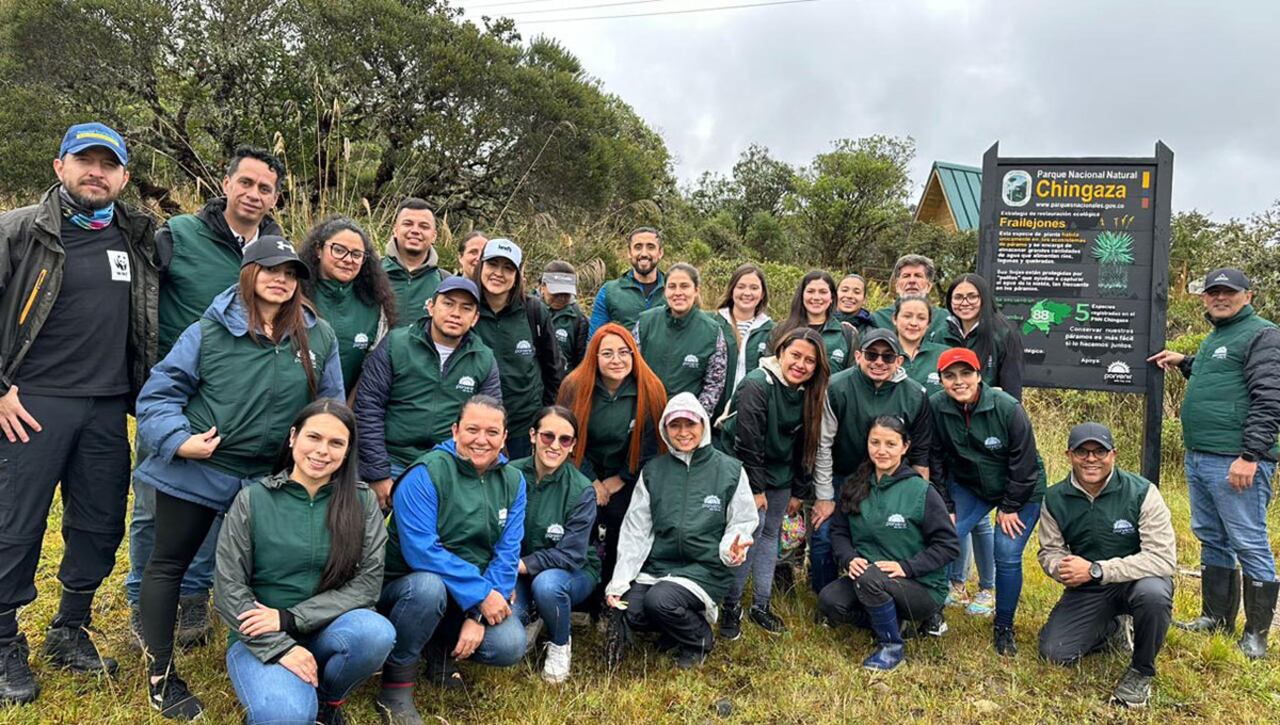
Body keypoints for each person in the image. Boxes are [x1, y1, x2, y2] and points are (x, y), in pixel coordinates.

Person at [135, 237, 344, 719]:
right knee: (169, 564)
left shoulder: (318, 337)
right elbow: (157, 396)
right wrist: (178, 439)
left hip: (268, 480)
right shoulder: (208, 331)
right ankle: (160, 676)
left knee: (269, 573)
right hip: (199, 471)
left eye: (290, 273)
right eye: (269, 269)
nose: (280, 279)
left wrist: (313, 458)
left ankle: (278, 657)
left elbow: (329, 408)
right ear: (248, 273)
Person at [0, 122, 159, 707]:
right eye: (84, 160)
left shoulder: (136, 236)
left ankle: (69, 628)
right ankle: (1, 640)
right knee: (15, 527)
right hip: (31, 404)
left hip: (108, 405)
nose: (97, 172)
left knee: (98, 524)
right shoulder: (20, 230)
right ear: (59, 166)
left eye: (108, 164)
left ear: (123, 176)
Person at [127, 144, 286, 652]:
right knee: (156, 506)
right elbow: (139, 300)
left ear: (276, 197)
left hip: (238, 406)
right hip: (176, 396)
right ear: (225, 184)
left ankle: (194, 598)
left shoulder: (279, 253)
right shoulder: (178, 237)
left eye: (265, 188)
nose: (254, 194)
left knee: (219, 510)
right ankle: (142, 601)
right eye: (246, 183)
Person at [214, 400, 394, 725]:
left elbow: (367, 585)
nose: (322, 451)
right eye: (314, 437)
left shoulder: (362, 501)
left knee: (376, 633)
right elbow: (228, 587)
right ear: (293, 437)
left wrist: (291, 619)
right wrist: (280, 646)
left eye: (336, 442)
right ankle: (295, 696)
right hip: (260, 634)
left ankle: (328, 701)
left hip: (330, 627)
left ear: (348, 450)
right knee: (286, 716)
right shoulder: (252, 500)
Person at [1150, 267, 1280, 658]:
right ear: (1204, 298)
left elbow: (1270, 399)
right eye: (1213, 292)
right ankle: (1215, 618)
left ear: (1248, 295)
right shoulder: (1216, 338)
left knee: (1248, 539)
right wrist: (1185, 361)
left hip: (1235, 462)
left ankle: (1256, 634)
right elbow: (1221, 377)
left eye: (1228, 292)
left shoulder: (1263, 334)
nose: (1219, 298)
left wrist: (1250, 456)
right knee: (1211, 535)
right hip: (1199, 456)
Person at [375, 396, 526, 724]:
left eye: (491, 431)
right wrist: (482, 596)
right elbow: (422, 553)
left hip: (468, 592)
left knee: (510, 644)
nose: (481, 439)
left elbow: (507, 551)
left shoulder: (514, 481)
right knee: (428, 589)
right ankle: (396, 685)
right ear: (455, 430)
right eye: (472, 429)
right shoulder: (425, 473)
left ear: (504, 436)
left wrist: (478, 613)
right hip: (405, 589)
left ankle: (440, 652)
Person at [604, 394, 757, 668]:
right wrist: (620, 581)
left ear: (703, 425)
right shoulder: (654, 470)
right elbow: (636, 530)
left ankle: (699, 639)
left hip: (705, 568)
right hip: (659, 567)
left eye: (691, 424)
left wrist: (731, 549)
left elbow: (742, 522)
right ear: (665, 429)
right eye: (675, 426)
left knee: (660, 600)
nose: (683, 432)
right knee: (633, 610)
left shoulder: (729, 469)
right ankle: (675, 630)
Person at [1037, 423, 1176, 709]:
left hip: (1139, 580)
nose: (1091, 459)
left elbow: (1162, 558)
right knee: (1054, 653)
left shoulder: (1142, 492)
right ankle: (1113, 629)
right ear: (1068, 455)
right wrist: (1059, 568)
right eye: (1082, 452)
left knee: (1154, 595)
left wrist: (1097, 569)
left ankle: (1141, 671)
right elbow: (1049, 551)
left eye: (1099, 451)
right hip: (1091, 588)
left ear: (1113, 454)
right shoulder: (1054, 498)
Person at [817, 416, 959, 671]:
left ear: (905, 447)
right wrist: (848, 558)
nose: (881, 451)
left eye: (891, 444)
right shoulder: (855, 484)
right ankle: (895, 622)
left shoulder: (921, 491)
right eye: (875, 442)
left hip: (919, 586)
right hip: (868, 578)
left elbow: (948, 545)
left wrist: (907, 567)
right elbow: (839, 531)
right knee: (830, 600)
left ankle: (891, 646)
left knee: (870, 579)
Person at [929, 347, 1045, 657]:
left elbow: (1025, 464)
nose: (959, 381)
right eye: (950, 376)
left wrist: (1009, 506)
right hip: (971, 485)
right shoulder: (937, 407)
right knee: (943, 536)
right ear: (941, 380)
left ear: (979, 376)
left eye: (966, 373)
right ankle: (931, 608)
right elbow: (936, 459)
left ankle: (1003, 625)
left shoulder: (1008, 408)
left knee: (1006, 552)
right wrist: (946, 505)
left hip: (1021, 489)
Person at [354, 276, 502, 511]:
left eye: (466, 308)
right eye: (448, 303)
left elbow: (491, 421)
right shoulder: (396, 344)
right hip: (392, 459)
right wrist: (377, 474)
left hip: (448, 465)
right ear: (431, 306)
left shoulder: (484, 358)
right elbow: (368, 408)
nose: (456, 313)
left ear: (475, 319)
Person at [718, 328, 829, 637]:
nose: (801, 365)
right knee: (749, 534)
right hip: (746, 469)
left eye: (810, 360)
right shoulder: (758, 383)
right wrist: (756, 490)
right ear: (781, 353)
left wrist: (799, 489)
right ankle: (731, 605)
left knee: (771, 534)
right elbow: (747, 441)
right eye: (796, 355)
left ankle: (761, 605)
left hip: (780, 472)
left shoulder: (810, 391)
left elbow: (806, 443)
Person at [810, 329, 934, 596]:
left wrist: (922, 498)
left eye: (888, 356)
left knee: (900, 534)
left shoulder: (915, 394)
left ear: (899, 361)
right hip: (842, 474)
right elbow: (823, 445)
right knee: (823, 533)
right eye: (872, 354)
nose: (879, 362)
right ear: (858, 356)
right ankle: (825, 595)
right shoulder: (836, 387)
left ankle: (897, 592)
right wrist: (824, 496)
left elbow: (921, 452)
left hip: (891, 479)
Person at [557, 323, 667, 604]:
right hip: (582, 470)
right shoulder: (574, 386)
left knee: (622, 520)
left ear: (634, 354)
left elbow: (652, 444)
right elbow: (564, 439)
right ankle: (580, 594)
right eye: (607, 353)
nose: (616, 360)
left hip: (628, 474)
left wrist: (621, 478)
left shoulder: (650, 389)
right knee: (582, 518)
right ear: (594, 357)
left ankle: (616, 592)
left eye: (623, 352)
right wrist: (591, 480)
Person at [510, 407, 599, 683]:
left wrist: (523, 565)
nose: (555, 445)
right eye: (548, 436)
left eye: (565, 440)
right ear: (533, 436)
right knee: (507, 637)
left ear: (573, 446)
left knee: (548, 586)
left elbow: (571, 554)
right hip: (516, 570)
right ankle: (534, 615)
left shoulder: (581, 489)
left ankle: (560, 643)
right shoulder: (509, 474)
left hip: (571, 571)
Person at [471, 238, 563, 459]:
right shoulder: (466, 307)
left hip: (523, 425)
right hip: (474, 425)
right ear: (481, 266)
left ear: (518, 275)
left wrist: (546, 416)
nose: (498, 273)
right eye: (493, 264)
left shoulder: (534, 311)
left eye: (508, 268)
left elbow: (554, 369)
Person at [300, 216, 398, 392]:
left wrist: (346, 411)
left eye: (356, 254)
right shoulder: (295, 294)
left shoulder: (375, 306)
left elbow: (369, 370)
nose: (348, 259)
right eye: (338, 250)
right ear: (318, 249)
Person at [633, 263, 728, 416]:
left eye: (684, 286)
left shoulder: (712, 331)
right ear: (665, 291)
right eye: (672, 286)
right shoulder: (645, 323)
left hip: (685, 423)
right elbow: (631, 368)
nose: (678, 292)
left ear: (696, 290)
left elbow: (714, 384)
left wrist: (695, 417)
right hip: (644, 416)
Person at [944, 273, 1024, 399]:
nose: (965, 303)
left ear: (984, 298)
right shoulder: (941, 332)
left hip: (986, 412)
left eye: (972, 297)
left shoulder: (1003, 334)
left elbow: (1011, 390)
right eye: (958, 297)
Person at [713, 263, 774, 421]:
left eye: (754, 288)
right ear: (732, 290)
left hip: (752, 417)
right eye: (741, 287)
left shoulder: (773, 331)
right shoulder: (712, 323)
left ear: (762, 294)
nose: (747, 293)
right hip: (712, 416)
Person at [772, 270, 856, 374]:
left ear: (832, 297)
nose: (816, 297)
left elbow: (852, 376)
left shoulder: (847, 334)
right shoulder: (780, 331)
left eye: (823, 292)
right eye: (810, 291)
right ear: (802, 295)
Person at [588, 226, 665, 337]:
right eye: (638, 247)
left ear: (660, 253)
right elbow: (595, 340)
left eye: (650, 247)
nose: (644, 253)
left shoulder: (675, 291)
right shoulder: (609, 292)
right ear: (629, 252)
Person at [382, 198, 446, 328]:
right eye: (408, 224)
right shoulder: (370, 273)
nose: (415, 230)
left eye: (424, 226)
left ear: (434, 236)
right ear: (395, 230)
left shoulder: (445, 282)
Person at [870, 254, 949, 343]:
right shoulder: (878, 319)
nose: (912, 281)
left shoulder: (944, 319)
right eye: (906, 276)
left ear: (928, 286)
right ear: (897, 286)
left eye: (918, 276)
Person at [540, 261, 589, 376]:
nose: (561, 298)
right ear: (543, 287)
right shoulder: (528, 311)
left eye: (566, 294)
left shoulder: (579, 320)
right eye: (556, 293)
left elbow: (581, 362)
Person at [895, 295, 947, 397]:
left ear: (928, 324)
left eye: (921, 318)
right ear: (894, 319)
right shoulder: (881, 355)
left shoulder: (944, 354)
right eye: (907, 316)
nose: (913, 323)